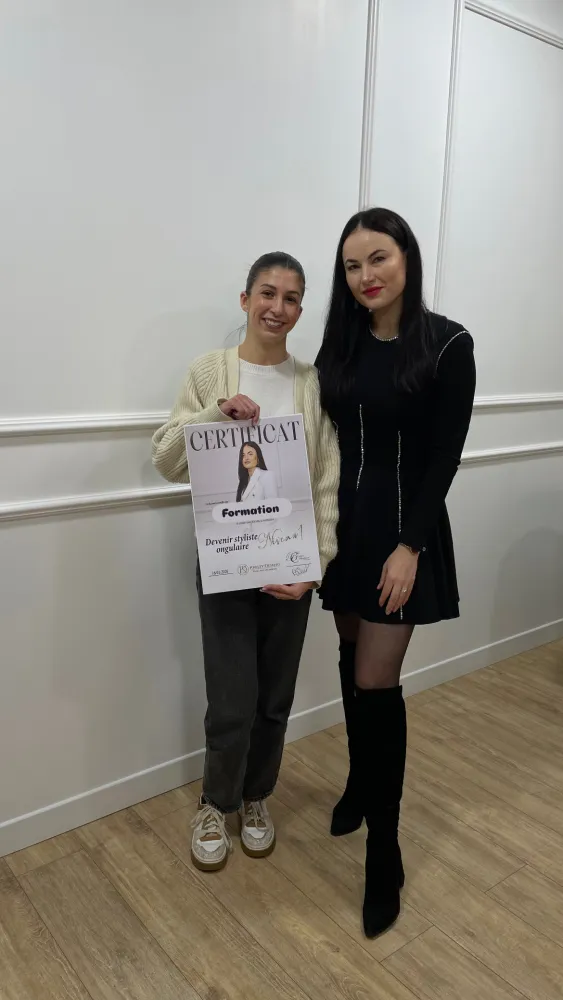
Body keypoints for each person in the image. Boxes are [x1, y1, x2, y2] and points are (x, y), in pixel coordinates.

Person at [316, 208, 476, 938]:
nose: (365, 276)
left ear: (406, 257)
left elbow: (444, 456)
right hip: (344, 527)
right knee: (350, 659)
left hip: (401, 532)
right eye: (352, 266)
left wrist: (410, 546)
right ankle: (357, 782)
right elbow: (320, 435)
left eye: (377, 258)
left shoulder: (447, 343)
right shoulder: (341, 344)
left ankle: (386, 848)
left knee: (376, 682)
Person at [152, 251, 339, 872]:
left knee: (275, 699)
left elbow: (326, 483)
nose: (277, 308)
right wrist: (215, 416)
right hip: (227, 562)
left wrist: (316, 563)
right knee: (232, 698)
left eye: (290, 298)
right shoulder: (210, 371)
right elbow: (166, 460)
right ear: (245, 299)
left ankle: (256, 797)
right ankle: (215, 802)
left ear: (300, 310)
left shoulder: (312, 384)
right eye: (267, 293)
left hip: (290, 567)